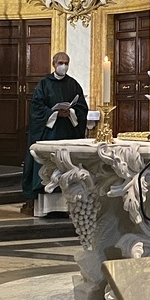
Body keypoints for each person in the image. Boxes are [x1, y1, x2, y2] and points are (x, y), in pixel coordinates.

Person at [21, 52, 89, 216]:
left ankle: (66, 207)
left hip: (67, 132)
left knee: (66, 167)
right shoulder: (44, 84)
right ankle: (44, 208)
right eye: (60, 63)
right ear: (54, 64)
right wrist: (54, 113)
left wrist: (71, 112)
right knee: (48, 167)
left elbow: (81, 107)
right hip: (49, 133)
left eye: (66, 63)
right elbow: (36, 108)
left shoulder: (73, 84)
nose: (63, 66)